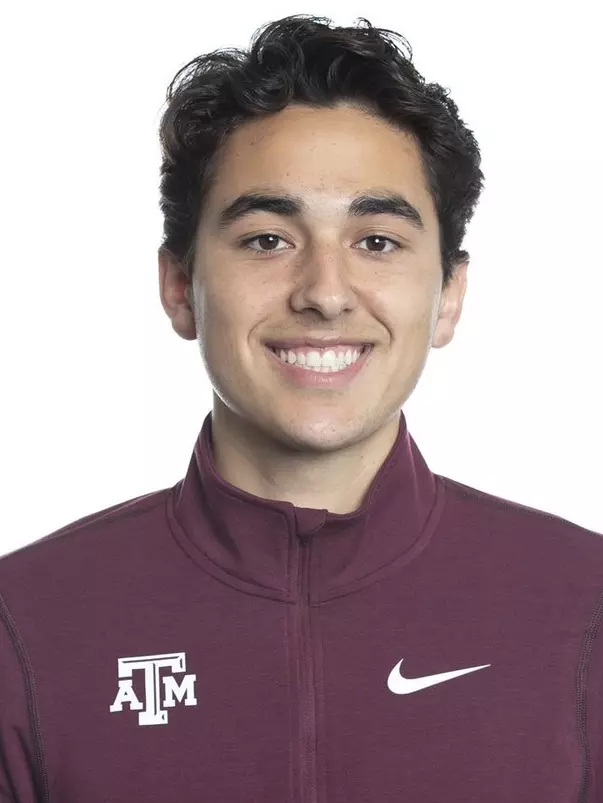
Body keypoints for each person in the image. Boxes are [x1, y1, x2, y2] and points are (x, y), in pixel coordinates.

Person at [1, 13, 601, 803]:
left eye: (376, 241)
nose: (322, 291)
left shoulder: (582, 608)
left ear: (448, 295)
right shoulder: (26, 625)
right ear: (179, 286)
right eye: (265, 239)